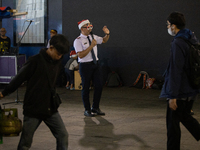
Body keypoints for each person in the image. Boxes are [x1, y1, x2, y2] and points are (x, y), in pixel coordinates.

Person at [0, 34, 69, 150]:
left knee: (63, 135)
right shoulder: (34, 61)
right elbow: (18, 78)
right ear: (51, 48)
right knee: (25, 143)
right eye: (58, 54)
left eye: (62, 55)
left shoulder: (57, 61)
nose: (59, 57)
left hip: (50, 108)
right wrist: (4, 93)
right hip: (33, 108)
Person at [160, 12, 200, 150]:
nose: (167, 27)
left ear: (173, 25)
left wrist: (172, 96)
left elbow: (175, 70)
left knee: (172, 125)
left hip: (180, 91)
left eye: (168, 24)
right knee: (185, 117)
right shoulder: (192, 39)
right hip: (191, 89)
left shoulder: (178, 42)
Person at [73, 19, 110, 117]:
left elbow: (104, 40)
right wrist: (91, 46)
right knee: (86, 87)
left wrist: (107, 34)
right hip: (85, 65)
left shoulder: (93, 37)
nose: (89, 29)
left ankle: (95, 107)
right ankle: (87, 109)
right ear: (82, 28)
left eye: (90, 27)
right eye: (87, 27)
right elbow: (80, 55)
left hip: (95, 64)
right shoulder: (78, 40)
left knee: (99, 85)